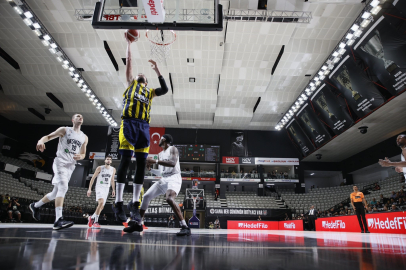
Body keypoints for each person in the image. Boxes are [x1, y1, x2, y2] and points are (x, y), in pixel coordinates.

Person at [112, 32, 169, 224]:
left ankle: (134, 205)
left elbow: (165, 89)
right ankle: (119, 202)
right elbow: (129, 63)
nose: (140, 74)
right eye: (139, 74)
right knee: (126, 161)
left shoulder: (150, 92)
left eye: (143, 75)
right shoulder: (130, 84)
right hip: (128, 123)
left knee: (141, 165)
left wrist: (158, 70)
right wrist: (129, 44)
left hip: (144, 127)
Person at [29, 114, 88, 230]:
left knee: (55, 193)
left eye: (81, 116)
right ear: (73, 120)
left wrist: (80, 157)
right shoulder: (64, 130)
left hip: (71, 166)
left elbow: (83, 153)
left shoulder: (84, 137)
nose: (80, 117)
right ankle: (58, 220)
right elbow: (48, 136)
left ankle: (35, 206)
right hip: (60, 162)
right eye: (77, 116)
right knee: (63, 187)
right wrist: (41, 141)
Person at [123, 134, 190, 236]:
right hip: (164, 178)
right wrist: (151, 170)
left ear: (164, 139)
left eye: (160, 138)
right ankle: (138, 224)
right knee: (146, 197)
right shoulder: (159, 154)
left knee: (169, 199)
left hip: (174, 178)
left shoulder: (173, 149)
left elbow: (172, 163)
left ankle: (185, 226)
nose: (159, 140)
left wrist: (154, 161)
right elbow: (161, 173)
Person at [87, 156, 116, 228]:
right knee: (101, 202)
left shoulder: (113, 169)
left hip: (107, 188)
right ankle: (96, 221)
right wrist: (89, 189)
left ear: (111, 161)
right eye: (107, 159)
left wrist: (113, 189)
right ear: (105, 161)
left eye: (110, 159)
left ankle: (92, 217)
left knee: (102, 207)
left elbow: (112, 180)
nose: (109, 160)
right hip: (100, 187)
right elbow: (93, 178)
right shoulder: (100, 168)